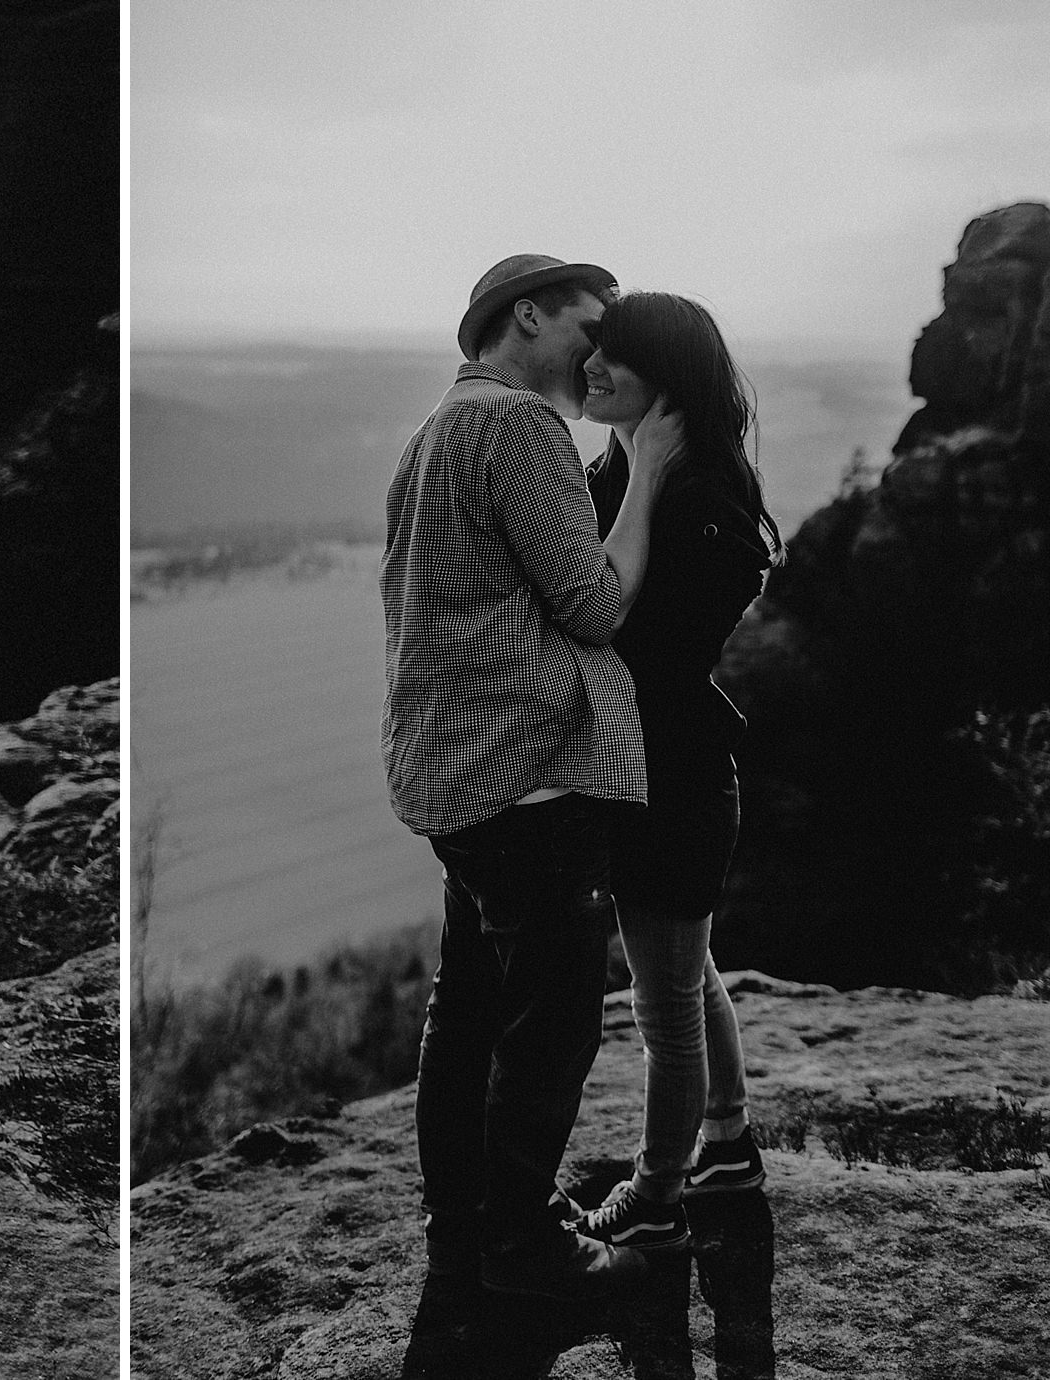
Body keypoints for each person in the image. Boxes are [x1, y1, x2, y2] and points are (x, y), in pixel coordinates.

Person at [381, 254, 675, 1300]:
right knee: (549, 1025)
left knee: (466, 1012)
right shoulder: (515, 426)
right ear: (528, 316)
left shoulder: (435, 431)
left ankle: (462, 1219)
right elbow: (596, 605)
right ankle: (527, 1248)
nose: (599, 347)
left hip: (457, 770)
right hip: (531, 779)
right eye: (587, 325)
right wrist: (643, 472)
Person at [563, 292, 780, 1253]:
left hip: (675, 778)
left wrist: (646, 477)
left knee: (664, 1006)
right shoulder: (621, 477)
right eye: (594, 352)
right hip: (651, 769)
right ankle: (725, 1143)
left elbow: (623, 631)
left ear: (672, 381)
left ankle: (656, 1200)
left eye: (619, 359)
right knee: (686, 972)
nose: (593, 369)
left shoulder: (700, 507)